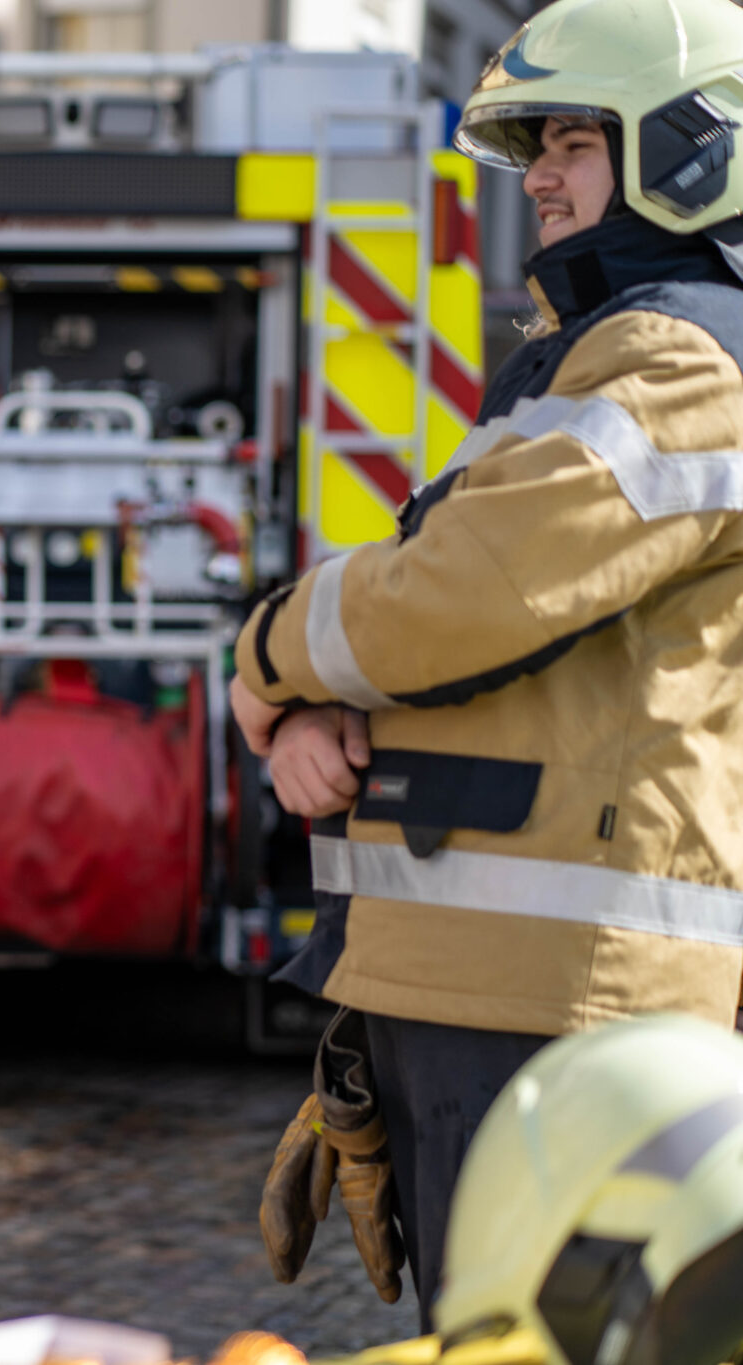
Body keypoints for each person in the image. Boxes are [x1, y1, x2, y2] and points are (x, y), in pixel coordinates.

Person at [235, 0, 743, 1331]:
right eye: (538, 145)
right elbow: (454, 615)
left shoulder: (681, 354)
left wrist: (263, 654)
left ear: (701, 151)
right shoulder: (593, 350)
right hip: (492, 976)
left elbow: (466, 596)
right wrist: (307, 706)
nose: (541, 176)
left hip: (557, 994)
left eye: (578, 140)